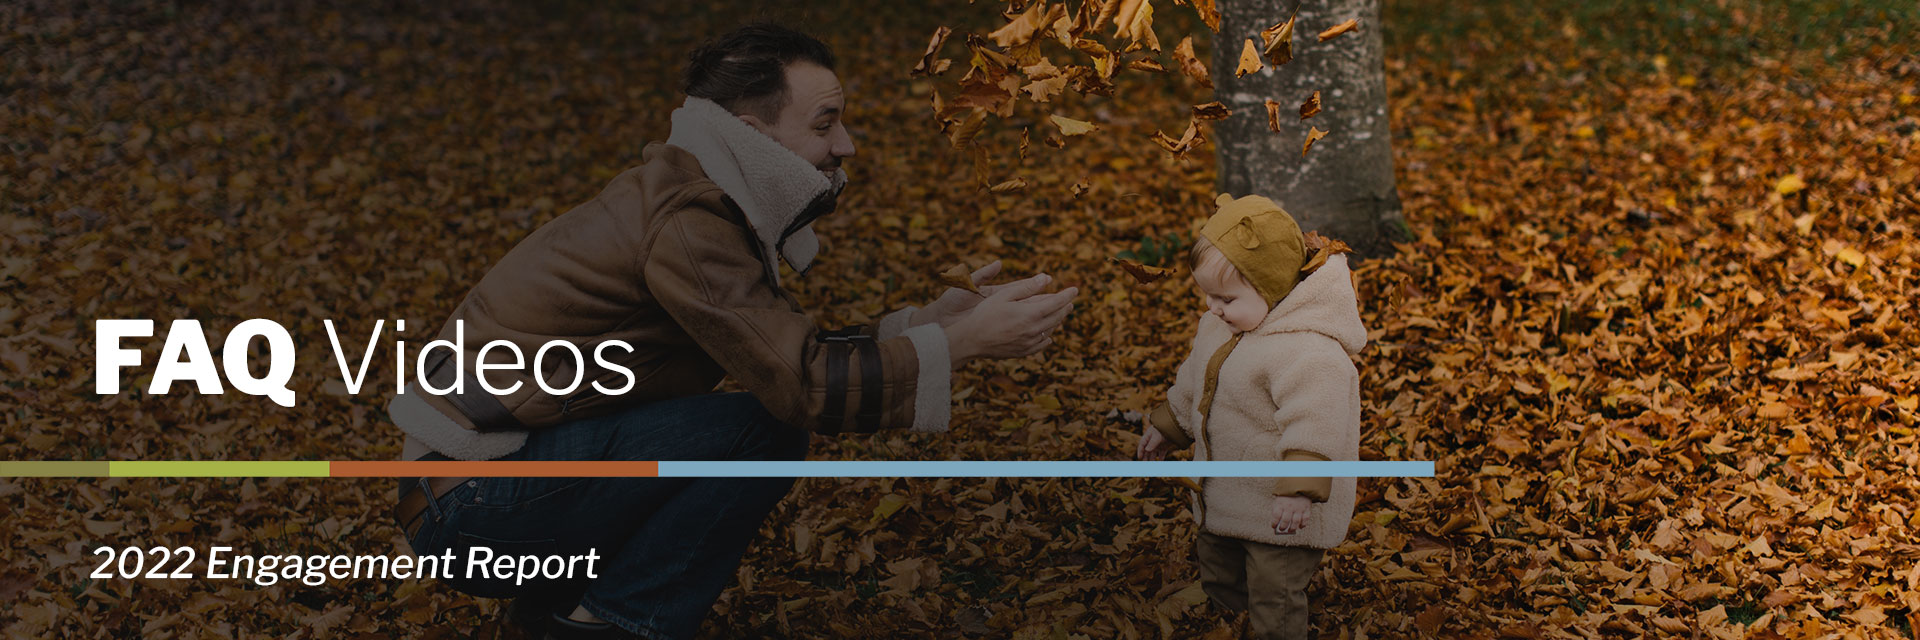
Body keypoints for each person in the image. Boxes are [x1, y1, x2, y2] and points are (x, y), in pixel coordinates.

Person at [385, 24, 1078, 640]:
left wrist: (927, 324)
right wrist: (960, 344)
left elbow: (773, 353)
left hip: (477, 491)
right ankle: (608, 623)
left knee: (738, 424)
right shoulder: (692, 220)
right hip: (470, 509)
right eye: (825, 124)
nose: (847, 144)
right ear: (751, 132)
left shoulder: (692, 195)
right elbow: (796, 385)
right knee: (762, 430)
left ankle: (556, 611)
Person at [1136, 194, 1365, 640]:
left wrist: (1299, 492)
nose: (1213, 307)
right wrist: (1168, 427)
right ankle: (1224, 620)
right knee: (1218, 566)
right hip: (1228, 491)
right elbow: (1195, 382)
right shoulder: (1222, 327)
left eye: (1226, 297)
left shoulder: (1309, 352)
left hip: (1284, 509)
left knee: (1272, 591)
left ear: (1271, 287)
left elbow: (1316, 424)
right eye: (1207, 294)